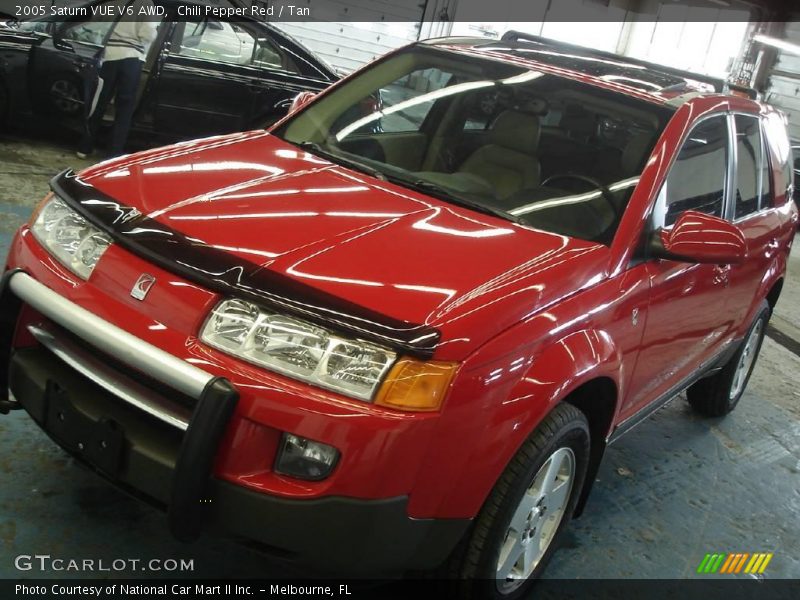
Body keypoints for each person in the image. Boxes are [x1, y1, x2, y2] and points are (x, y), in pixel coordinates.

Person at [77, 0, 159, 159]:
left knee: (99, 102)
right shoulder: (146, 3)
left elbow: (95, 21)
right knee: (124, 109)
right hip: (131, 59)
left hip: (109, 56)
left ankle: (84, 147)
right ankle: (113, 154)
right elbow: (147, 33)